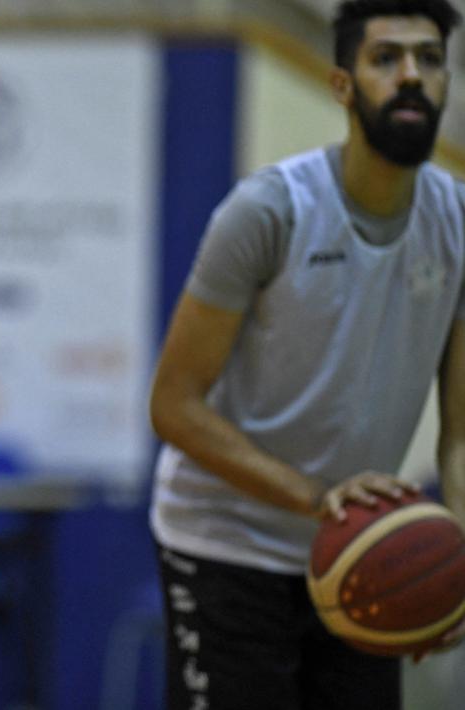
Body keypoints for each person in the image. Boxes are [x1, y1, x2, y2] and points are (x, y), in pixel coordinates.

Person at [148, 1, 465, 708]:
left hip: (364, 556)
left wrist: (451, 563)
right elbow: (171, 407)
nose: (411, 76)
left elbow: (460, 432)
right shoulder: (267, 210)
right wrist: (317, 499)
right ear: (341, 85)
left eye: (429, 58)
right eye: (386, 58)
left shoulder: (457, 224)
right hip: (226, 549)